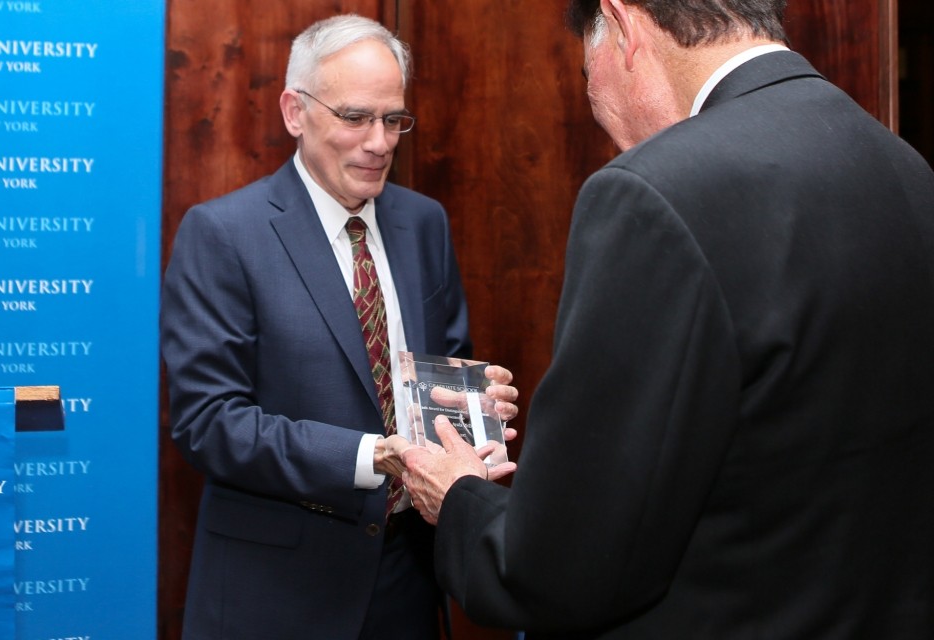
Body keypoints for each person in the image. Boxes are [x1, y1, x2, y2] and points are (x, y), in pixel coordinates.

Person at [400, 0, 934, 637]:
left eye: (587, 82)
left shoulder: (651, 192)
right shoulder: (904, 166)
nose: (614, 136)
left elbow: (563, 570)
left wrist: (458, 496)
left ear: (623, 28)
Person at [160, 14, 513, 640]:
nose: (379, 142)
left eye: (393, 119)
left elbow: (437, 366)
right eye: (354, 117)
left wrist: (473, 404)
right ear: (295, 112)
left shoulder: (423, 222)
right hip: (278, 594)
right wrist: (372, 455)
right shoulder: (224, 235)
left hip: (409, 578)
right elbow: (209, 422)